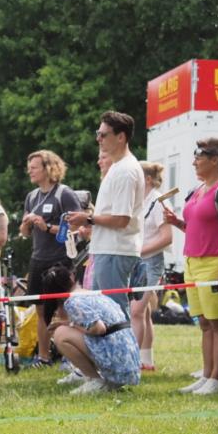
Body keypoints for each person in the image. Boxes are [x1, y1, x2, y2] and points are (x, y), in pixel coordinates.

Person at [163, 138, 218, 395]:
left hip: (215, 263)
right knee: (204, 323)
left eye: (199, 157)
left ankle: (215, 380)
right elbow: (197, 228)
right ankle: (206, 375)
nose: (194, 162)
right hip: (192, 262)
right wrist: (177, 222)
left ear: (215, 160)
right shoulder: (198, 189)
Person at [66, 111, 144, 318]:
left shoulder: (126, 170)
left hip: (116, 251)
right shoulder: (118, 167)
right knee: (103, 313)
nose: (98, 139)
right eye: (97, 133)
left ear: (121, 137)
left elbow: (122, 219)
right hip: (108, 250)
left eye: (103, 134)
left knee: (114, 314)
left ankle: (124, 342)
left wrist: (88, 218)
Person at [18, 150, 82, 367]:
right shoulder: (32, 196)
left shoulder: (64, 194)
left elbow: (75, 226)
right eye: (29, 168)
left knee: (63, 308)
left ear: (48, 168)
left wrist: (47, 227)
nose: (30, 171)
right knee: (40, 310)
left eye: (34, 167)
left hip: (60, 259)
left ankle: (69, 357)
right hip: (38, 258)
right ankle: (43, 357)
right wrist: (26, 224)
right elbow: (24, 233)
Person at [44, 264, 141, 394]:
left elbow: (99, 328)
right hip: (128, 361)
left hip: (117, 363)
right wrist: (69, 323)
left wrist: (70, 325)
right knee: (66, 329)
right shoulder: (91, 293)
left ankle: (95, 380)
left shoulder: (73, 301)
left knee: (60, 334)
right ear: (71, 277)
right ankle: (83, 373)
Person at [129, 162, 173, 372]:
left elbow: (166, 238)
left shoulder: (158, 202)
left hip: (150, 262)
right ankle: (146, 360)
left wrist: (139, 250)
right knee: (143, 311)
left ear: (147, 179)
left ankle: (131, 361)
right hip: (138, 262)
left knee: (136, 311)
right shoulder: (140, 201)